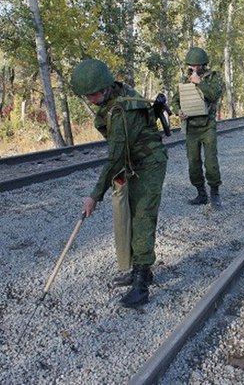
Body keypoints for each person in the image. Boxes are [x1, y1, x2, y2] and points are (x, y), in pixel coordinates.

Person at [70, 59, 168, 307]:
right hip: (133, 162)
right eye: (87, 96)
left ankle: (141, 286)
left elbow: (114, 157)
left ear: (104, 88)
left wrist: (95, 195)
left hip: (150, 163)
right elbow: (119, 154)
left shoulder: (122, 110)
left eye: (92, 94)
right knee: (131, 215)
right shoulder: (115, 98)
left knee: (143, 218)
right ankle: (141, 271)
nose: (90, 100)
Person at [172, 47, 223, 207]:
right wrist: (178, 111)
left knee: (211, 162)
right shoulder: (184, 80)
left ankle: (215, 193)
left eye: (197, 66)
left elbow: (215, 95)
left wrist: (200, 83)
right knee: (193, 162)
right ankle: (201, 193)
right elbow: (175, 100)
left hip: (208, 126)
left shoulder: (213, 77)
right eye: (191, 66)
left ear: (204, 64)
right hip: (191, 128)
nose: (194, 69)